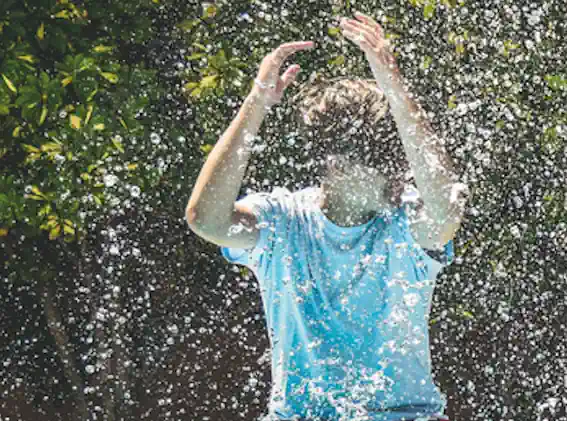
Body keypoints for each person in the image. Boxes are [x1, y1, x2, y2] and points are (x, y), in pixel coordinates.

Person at [183, 14, 467, 421]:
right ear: (337, 166)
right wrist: (256, 103)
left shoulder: (403, 224)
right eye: (385, 162)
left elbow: (447, 209)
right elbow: (206, 220)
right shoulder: (282, 223)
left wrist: (394, 86)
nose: (402, 174)